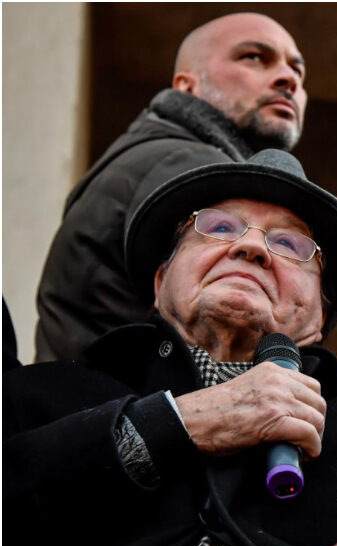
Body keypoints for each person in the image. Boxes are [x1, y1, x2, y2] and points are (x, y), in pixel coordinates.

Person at [4, 150, 337, 546]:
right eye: (218, 228)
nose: (251, 247)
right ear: (161, 282)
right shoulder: (40, 395)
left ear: (320, 313)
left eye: (290, 245)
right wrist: (172, 424)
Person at [36, 13, 307, 362]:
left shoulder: (155, 155)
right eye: (254, 57)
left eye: (298, 71)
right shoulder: (189, 165)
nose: (288, 79)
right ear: (187, 86)